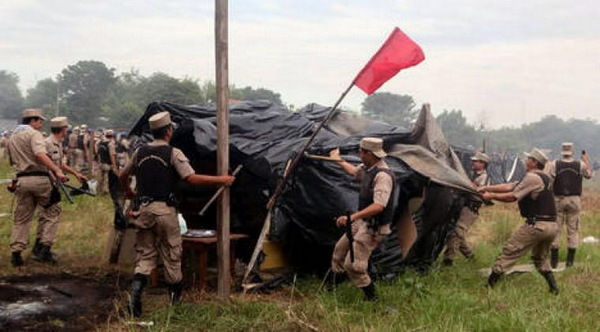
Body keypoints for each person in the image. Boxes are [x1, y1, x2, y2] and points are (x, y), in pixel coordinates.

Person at [119, 111, 235, 317]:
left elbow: (122, 175)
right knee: (172, 255)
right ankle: (175, 304)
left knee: (145, 256)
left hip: (144, 211)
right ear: (169, 131)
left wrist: (129, 191)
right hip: (165, 212)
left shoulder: (139, 153)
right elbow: (190, 178)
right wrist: (222, 180)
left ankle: (135, 296)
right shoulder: (173, 153)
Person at [481, 148, 559, 294]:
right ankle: (554, 288)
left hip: (537, 225)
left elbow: (512, 196)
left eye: (528, 158)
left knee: (510, 251)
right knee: (540, 258)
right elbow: (510, 185)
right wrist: (486, 187)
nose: (525, 161)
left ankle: (489, 286)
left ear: (534, 162)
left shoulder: (532, 177)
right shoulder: (544, 177)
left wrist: (490, 195)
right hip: (552, 226)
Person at [328, 137, 397, 301]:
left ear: (369, 153)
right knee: (339, 252)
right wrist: (338, 160)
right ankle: (332, 288)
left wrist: (352, 217)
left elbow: (379, 206)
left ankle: (372, 298)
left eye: (361, 152)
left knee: (354, 265)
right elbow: (353, 171)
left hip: (374, 227)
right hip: (362, 222)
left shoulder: (383, 176)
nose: (359, 154)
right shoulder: (368, 168)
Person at [6, 109, 68, 267]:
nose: (41, 124)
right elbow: (40, 154)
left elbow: (14, 162)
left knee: (21, 218)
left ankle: (16, 253)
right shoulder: (34, 134)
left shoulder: (12, 137)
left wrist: (14, 182)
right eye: (39, 121)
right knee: (52, 211)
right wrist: (57, 170)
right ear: (32, 121)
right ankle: (44, 249)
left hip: (22, 180)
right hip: (39, 178)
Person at [35, 116, 88, 264]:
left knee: (45, 215)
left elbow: (61, 165)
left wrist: (76, 174)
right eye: (66, 129)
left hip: (54, 183)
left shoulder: (58, 143)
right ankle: (44, 250)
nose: (67, 131)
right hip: (48, 185)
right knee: (53, 215)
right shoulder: (47, 143)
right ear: (62, 130)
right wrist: (54, 178)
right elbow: (44, 165)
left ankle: (38, 248)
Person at [546, 143, 593, 268]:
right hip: (574, 199)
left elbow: (549, 182)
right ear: (572, 152)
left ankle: (554, 262)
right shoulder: (580, 165)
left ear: (562, 152)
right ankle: (569, 262)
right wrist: (586, 160)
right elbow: (589, 175)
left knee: (556, 229)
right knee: (573, 229)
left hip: (558, 199)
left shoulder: (555, 164)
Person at [443, 151, 490, 265]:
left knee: (457, 231)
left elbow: (478, 190)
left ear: (482, 163)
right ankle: (470, 257)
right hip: (463, 206)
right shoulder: (472, 174)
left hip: (471, 208)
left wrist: (465, 183)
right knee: (457, 233)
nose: (472, 163)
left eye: (475, 161)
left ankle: (448, 259)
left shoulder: (485, 177)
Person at [97, 129, 118, 195]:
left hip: (101, 162)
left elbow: (98, 152)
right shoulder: (111, 143)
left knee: (100, 178)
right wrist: (114, 165)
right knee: (107, 178)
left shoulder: (100, 142)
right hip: (108, 164)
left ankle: (98, 190)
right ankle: (105, 191)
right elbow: (112, 155)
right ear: (112, 135)